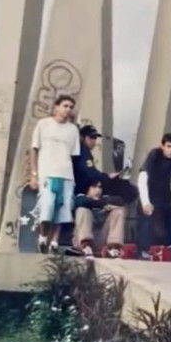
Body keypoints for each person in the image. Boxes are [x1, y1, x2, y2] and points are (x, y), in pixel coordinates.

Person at [28, 95, 81, 254]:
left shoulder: (73, 129)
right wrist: (34, 174)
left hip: (66, 174)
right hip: (47, 173)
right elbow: (34, 148)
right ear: (56, 107)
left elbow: (73, 155)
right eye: (65, 105)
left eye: (71, 107)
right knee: (47, 205)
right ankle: (43, 237)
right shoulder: (43, 124)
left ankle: (55, 241)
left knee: (63, 209)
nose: (68, 109)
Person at [136, 133, 171, 262]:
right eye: (168, 146)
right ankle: (143, 250)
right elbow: (142, 179)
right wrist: (145, 202)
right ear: (162, 146)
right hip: (150, 196)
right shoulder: (154, 154)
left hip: (167, 198)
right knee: (146, 216)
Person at [72, 179, 126, 258]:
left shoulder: (105, 198)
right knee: (83, 210)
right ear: (88, 188)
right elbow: (81, 202)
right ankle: (86, 247)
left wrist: (104, 205)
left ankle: (113, 248)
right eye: (94, 187)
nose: (98, 190)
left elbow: (120, 201)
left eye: (100, 187)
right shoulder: (81, 197)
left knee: (118, 211)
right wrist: (102, 204)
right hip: (82, 239)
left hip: (101, 238)